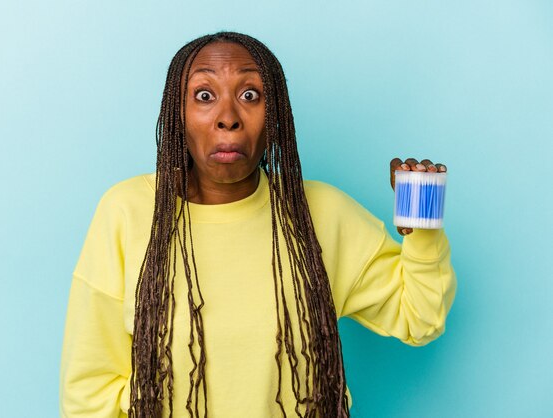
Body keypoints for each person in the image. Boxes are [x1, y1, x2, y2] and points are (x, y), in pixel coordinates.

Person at [59, 31, 457, 418]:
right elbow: (88, 389)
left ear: (276, 117)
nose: (228, 118)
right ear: (177, 115)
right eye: (204, 96)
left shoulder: (322, 213)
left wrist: (422, 225)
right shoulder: (127, 211)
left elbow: (420, 317)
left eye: (250, 95)